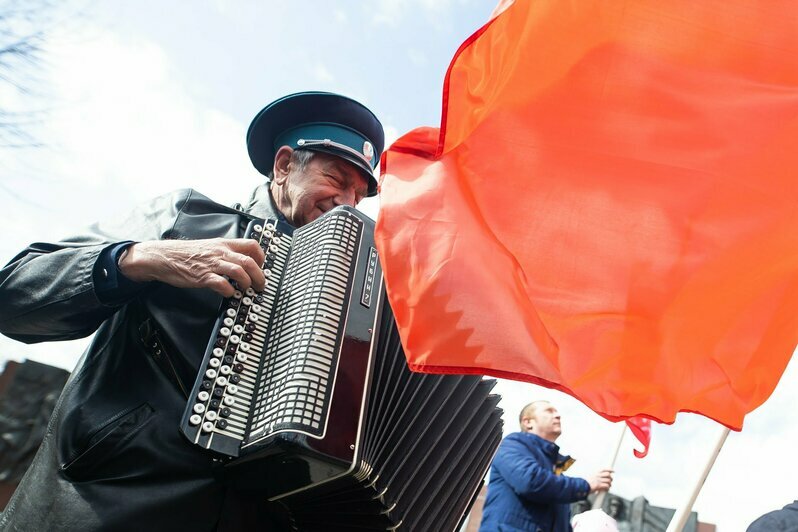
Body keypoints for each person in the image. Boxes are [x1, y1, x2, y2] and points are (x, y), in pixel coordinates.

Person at [0, 91, 384, 531]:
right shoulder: (188, 219)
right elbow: (13, 294)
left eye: (360, 194)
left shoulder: (360, 298)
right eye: (336, 178)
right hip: (105, 507)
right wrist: (140, 258)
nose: (348, 203)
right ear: (283, 166)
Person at [479, 400, 614, 532]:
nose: (557, 415)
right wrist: (587, 485)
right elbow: (530, 482)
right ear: (528, 422)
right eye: (549, 411)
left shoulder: (556, 477)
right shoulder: (512, 445)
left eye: (556, 412)